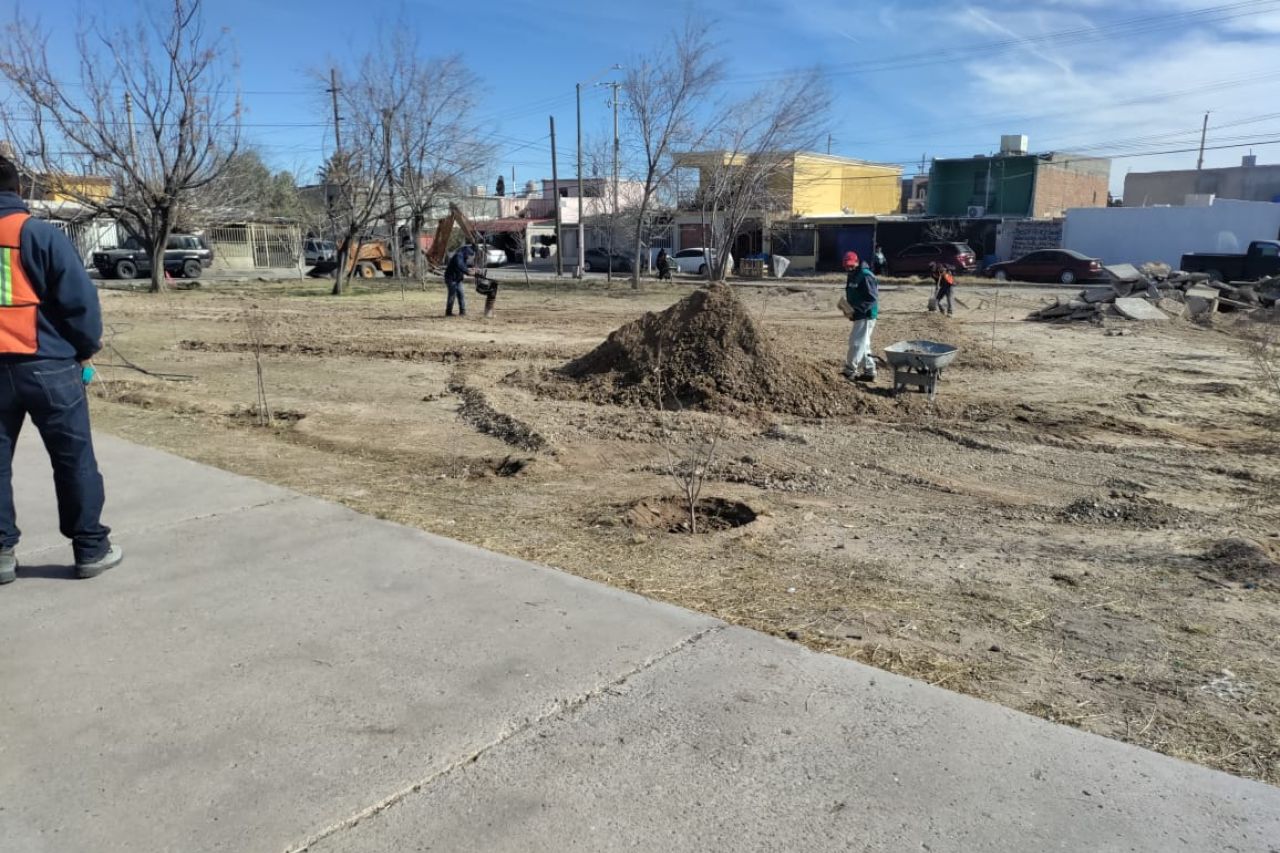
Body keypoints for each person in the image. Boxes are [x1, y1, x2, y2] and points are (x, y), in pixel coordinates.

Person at [0, 155, 120, 585]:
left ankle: (1, 554)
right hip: (48, 366)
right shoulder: (39, 235)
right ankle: (90, 549)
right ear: (18, 190)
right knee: (73, 460)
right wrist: (86, 348)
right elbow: (78, 302)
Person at [842, 251, 879, 382]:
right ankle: (870, 371)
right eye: (846, 266)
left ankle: (850, 370)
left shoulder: (865, 276)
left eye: (851, 265)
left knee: (856, 342)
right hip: (858, 313)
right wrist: (848, 308)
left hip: (866, 314)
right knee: (864, 343)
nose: (848, 268)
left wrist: (856, 310)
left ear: (857, 262)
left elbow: (872, 298)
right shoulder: (852, 275)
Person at [443, 245, 474, 317]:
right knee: (452, 295)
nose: (469, 257)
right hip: (451, 279)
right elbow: (460, 265)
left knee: (461, 294)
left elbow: (463, 266)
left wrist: (470, 269)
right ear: (466, 252)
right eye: (469, 255)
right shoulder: (458, 256)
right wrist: (468, 272)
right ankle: (448, 312)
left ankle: (462, 312)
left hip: (458, 279)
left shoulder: (463, 257)